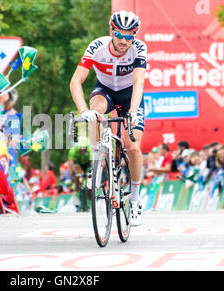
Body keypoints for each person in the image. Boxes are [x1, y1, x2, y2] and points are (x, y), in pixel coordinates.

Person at [70, 10, 146, 226]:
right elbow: (76, 81)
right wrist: (84, 110)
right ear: (111, 31)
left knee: (132, 146)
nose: (123, 41)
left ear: (135, 36)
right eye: (119, 35)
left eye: (129, 36)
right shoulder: (97, 47)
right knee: (95, 112)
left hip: (130, 94)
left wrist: (132, 111)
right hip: (104, 91)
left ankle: (134, 199)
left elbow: (139, 82)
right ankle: (98, 159)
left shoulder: (139, 49)